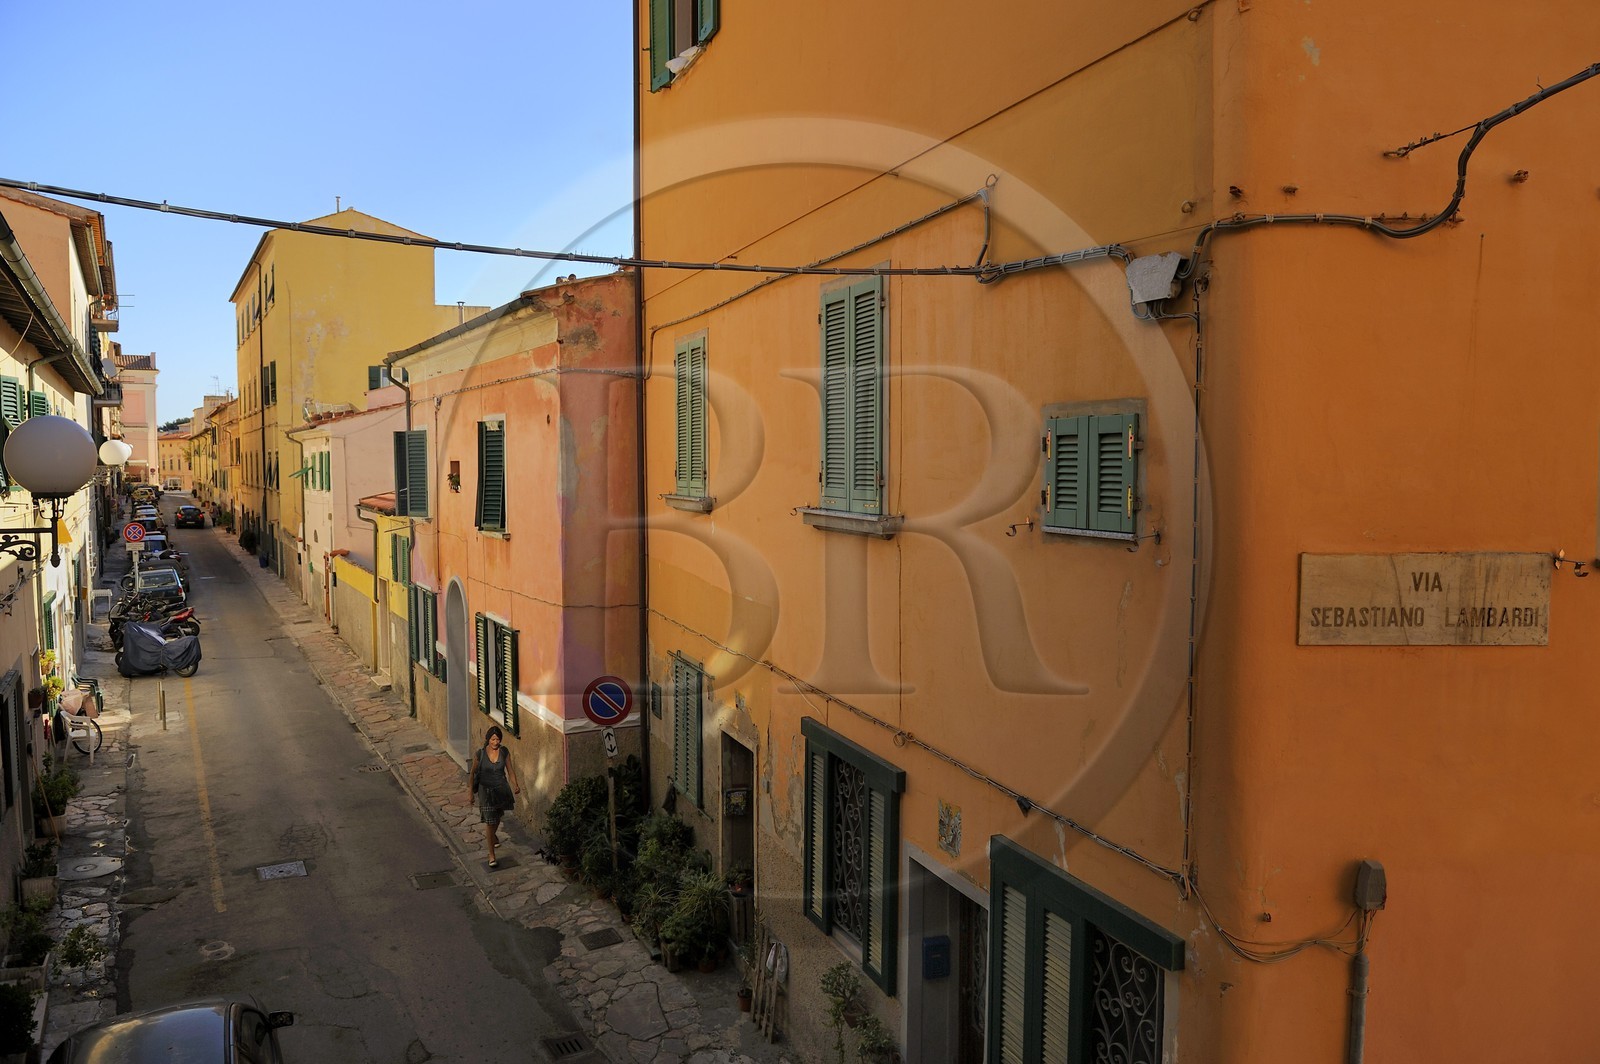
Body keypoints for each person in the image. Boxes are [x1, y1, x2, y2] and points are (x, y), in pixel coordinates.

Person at [468, 725, 520, 868]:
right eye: (493, 739)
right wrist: (470, 794)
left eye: (498, 739)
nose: (495, 742)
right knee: (490, 822)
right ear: (488, 739)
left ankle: (493, 836)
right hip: (486, 792)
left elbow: (510, 770)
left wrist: (516, 784)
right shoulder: (480, 754)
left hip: (501, 790)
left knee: (497, 818)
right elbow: (472, 773)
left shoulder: (504, 752)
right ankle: (491, 855)